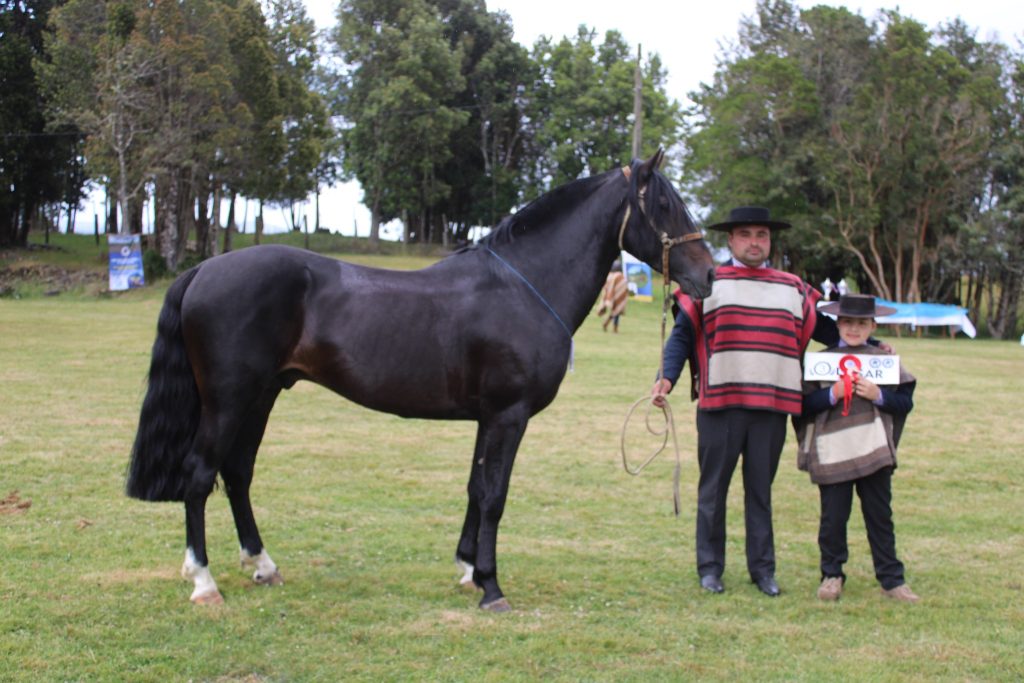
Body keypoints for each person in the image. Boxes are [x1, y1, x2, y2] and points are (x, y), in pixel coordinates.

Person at [650, 206, 888, 597]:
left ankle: (763, 571)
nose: (754, 242)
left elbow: (834, 332)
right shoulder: (708, 281)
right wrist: (666, 377)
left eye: (761, 234)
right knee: (713, 490)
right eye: (745, 234)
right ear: (731, 240)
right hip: (720, 403)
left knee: (760, 492)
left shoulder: (793, 288)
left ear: (770, 240)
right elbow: (682, 335)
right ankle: (710, 568)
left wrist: (875, 347)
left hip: (772, 406)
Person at [795, 293, 919, 603]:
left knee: (880, 516)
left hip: (873, 450)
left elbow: (905, 402)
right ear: (837, 324)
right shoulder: (821, 362)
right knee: (833, 518)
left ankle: (892, 580)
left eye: (862, 323)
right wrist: (832, 394)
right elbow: (801, 406)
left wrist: (879, 396)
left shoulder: (883, 361)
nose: (854, 329)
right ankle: (831, 575)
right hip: (833, 450)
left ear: (873, 326)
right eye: (848, 322)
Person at [596, 260, 628, 332]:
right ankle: (614, 327)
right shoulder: (620, 276)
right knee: (617, 310)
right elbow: (624, 286)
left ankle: (608, 323)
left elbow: (606, 287)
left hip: (610, 296)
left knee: (616, 310)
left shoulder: (609, 276)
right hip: (616, 296)